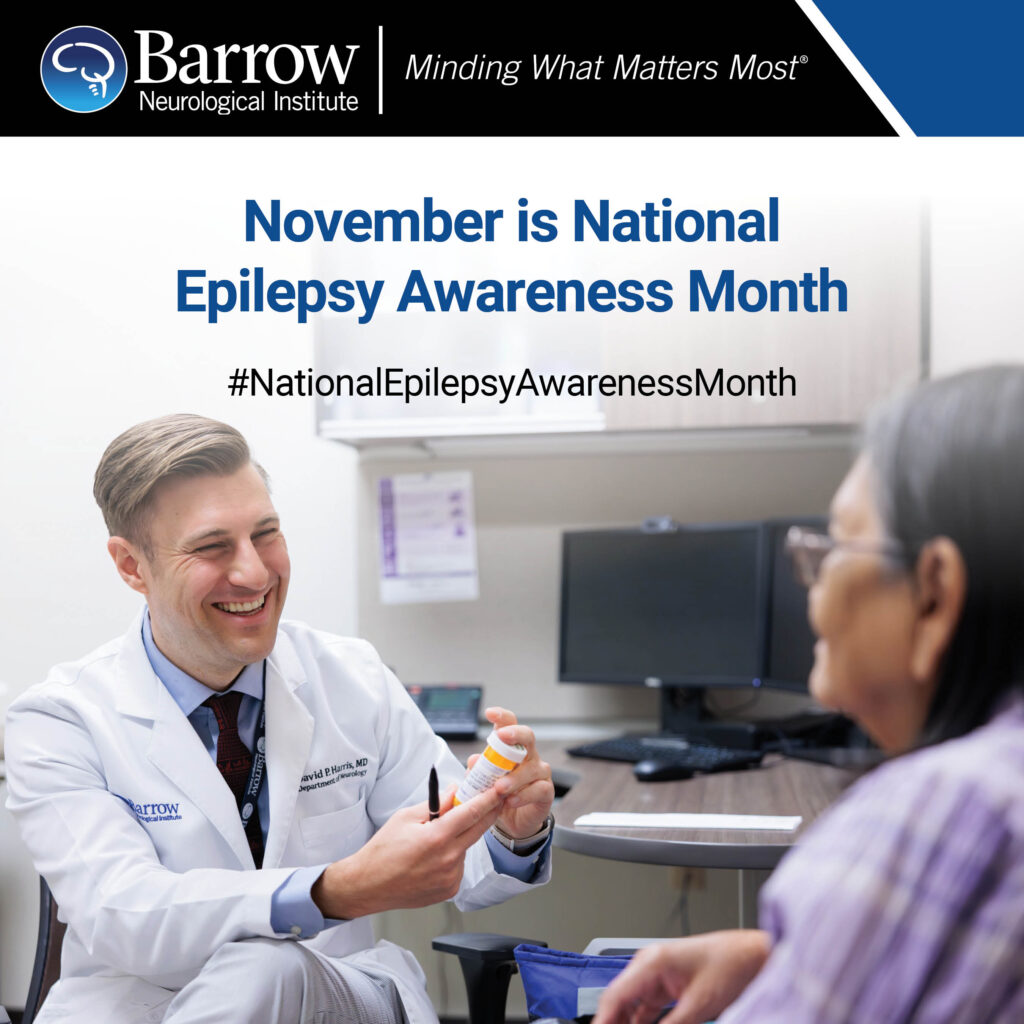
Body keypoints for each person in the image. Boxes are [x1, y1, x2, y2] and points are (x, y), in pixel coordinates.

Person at [5, 414, 555, 1024]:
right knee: (254, 968)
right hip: (136, 1008)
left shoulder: (352, 676)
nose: (255, 573)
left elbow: (458, 863)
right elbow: (122, 913)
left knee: (265, 967)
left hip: (337, 995)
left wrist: (509, 833)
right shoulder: (58, 721)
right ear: (132, 565)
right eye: (213, 547)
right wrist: (333, 890)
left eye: (265, 534)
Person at [594, 366, 1024, 1024]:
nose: (810, 587)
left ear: (934, 591)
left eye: (835, 546)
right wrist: (784, 958)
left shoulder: (944, 809)